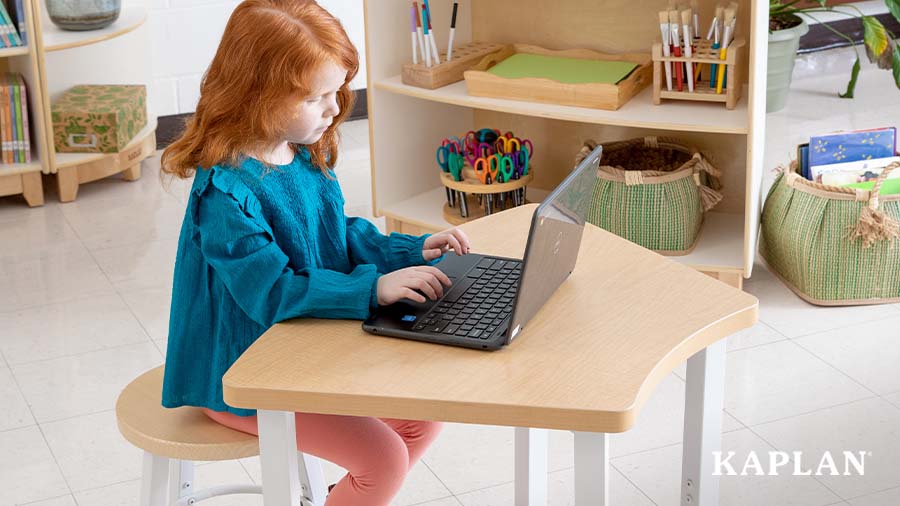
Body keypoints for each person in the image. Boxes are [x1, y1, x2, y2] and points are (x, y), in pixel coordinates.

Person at [159, 1, 471, 504]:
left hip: (301, 353)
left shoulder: (297, 148)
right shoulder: (225, 193)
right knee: (384, 458)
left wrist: (410, 250)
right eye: (318, 96)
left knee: (421, 421)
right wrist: (372, 288)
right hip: (241, 375)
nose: (333, 108)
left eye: (337, 91)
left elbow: (336, 232)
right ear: (256, 95)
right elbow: (273, 292)